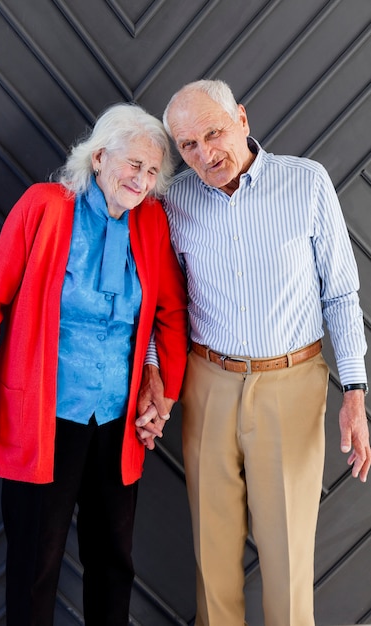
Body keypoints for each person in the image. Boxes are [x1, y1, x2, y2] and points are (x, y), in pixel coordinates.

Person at [136, 79, 371, 626]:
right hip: (206, 382)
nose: (205, 154)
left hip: (291, 385)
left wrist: (355, 394)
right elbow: (156, 301)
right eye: (188, 146)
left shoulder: (306, 183)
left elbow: (340, 293)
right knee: (211, 557)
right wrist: (154, 372)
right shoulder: (173, 200)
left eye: (213, 133)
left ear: (242, 118)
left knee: (288, 557)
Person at [0, 102, 188, 626]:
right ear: (101, 157)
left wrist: (165, 393)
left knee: (113, 564)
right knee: (34, 566)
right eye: (134, 165)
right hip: (42, 417)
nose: (143, 180)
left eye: (152, 172)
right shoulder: (45, 206)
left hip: (117, 421)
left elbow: (172, 314)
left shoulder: (151, 220)